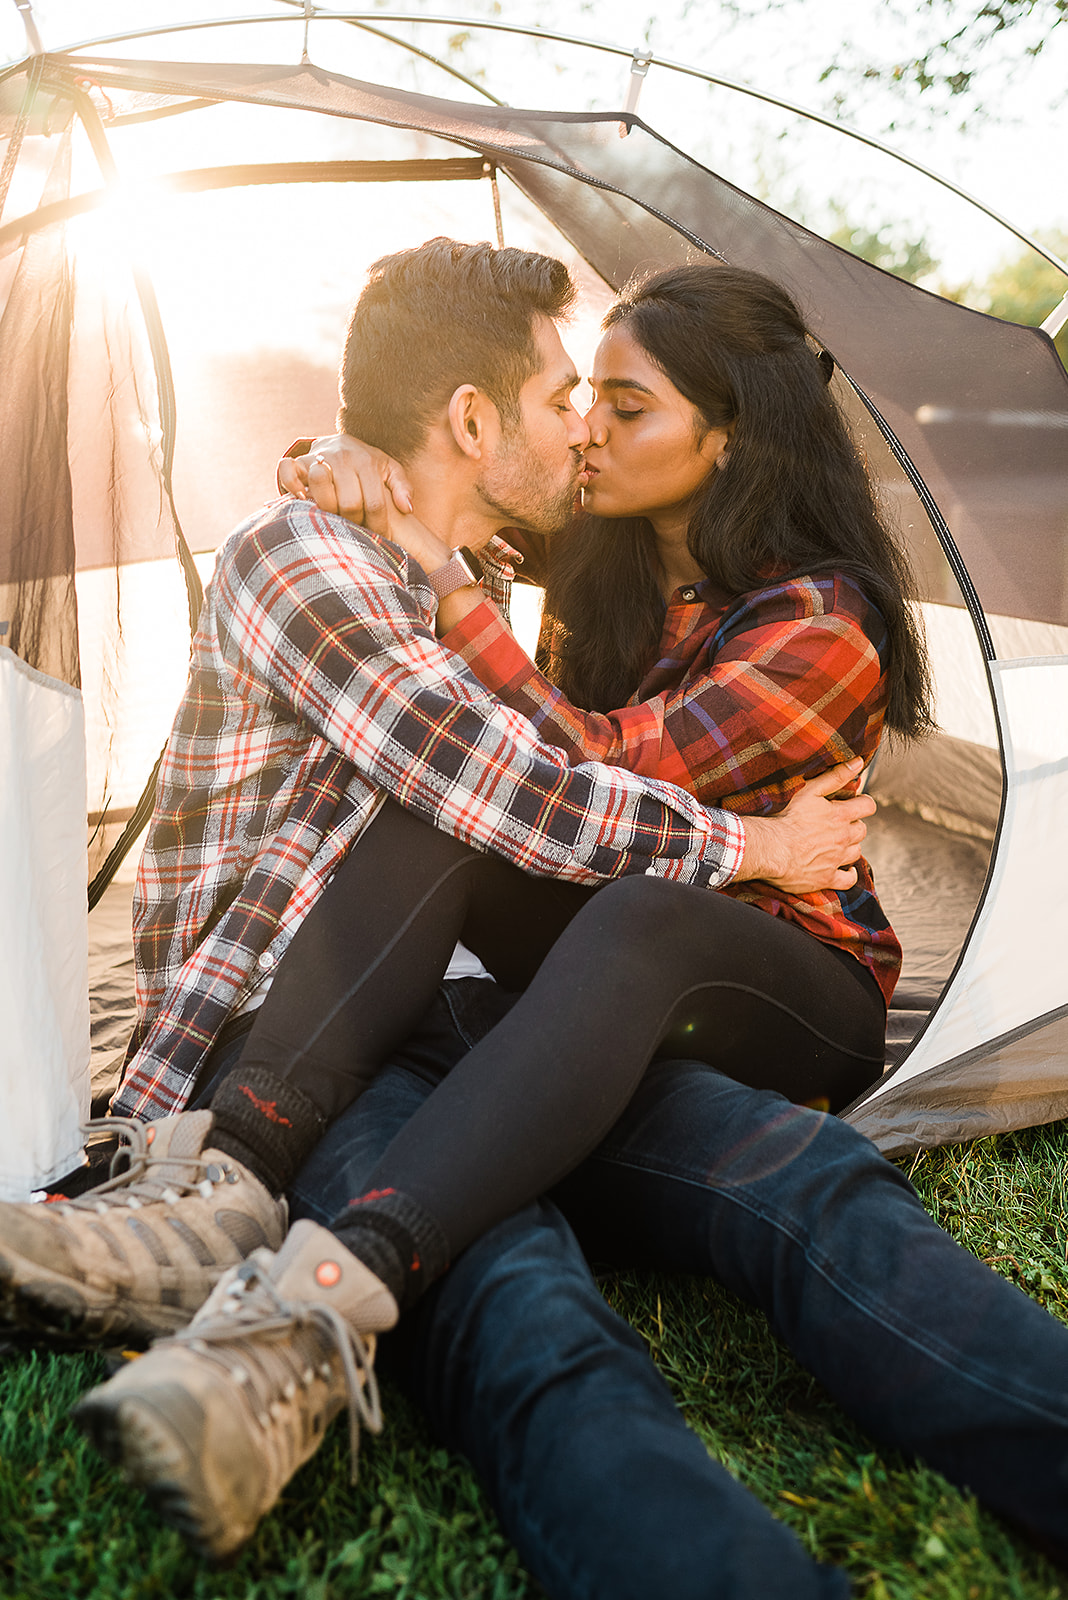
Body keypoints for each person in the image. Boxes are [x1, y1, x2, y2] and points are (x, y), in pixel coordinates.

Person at [4, 242, 1068, 1595]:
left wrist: (437, 559)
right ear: (470, 420)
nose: (586, 431)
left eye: (620, 408)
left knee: (798, 1172)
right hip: (321, 1028)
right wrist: (324, 457)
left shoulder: (703, 601)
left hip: (574, 991)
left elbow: (564, 776)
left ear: (725, 440)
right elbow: (517, 790)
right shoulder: (355, 558)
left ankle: (291, 1253)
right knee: (518, 1283)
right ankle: (263, 1244)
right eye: (577, 397)